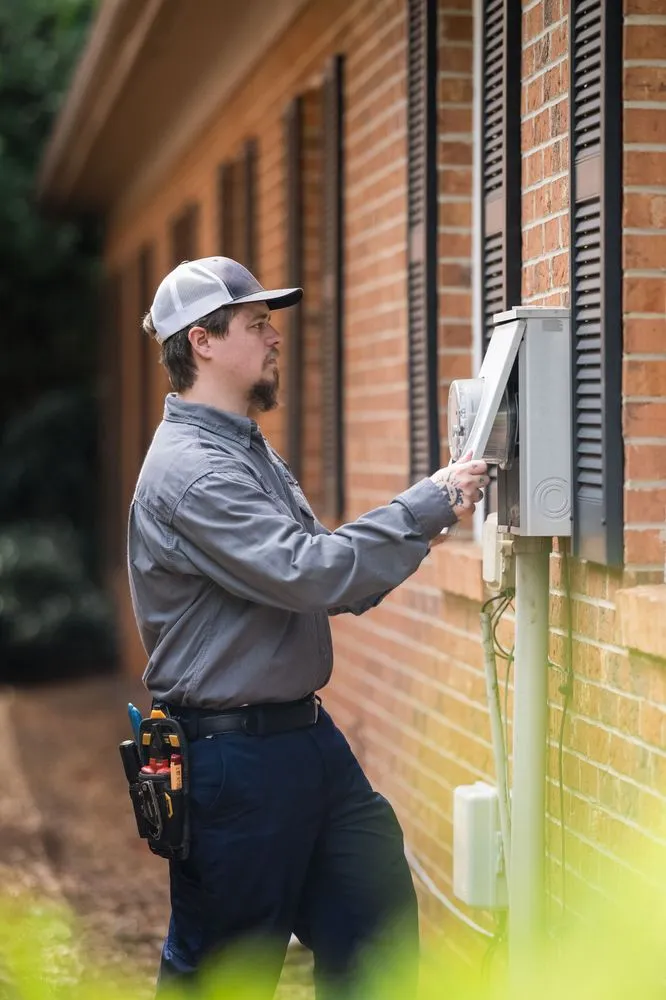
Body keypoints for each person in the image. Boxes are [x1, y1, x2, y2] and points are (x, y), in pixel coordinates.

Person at [128, 256, 488, 998]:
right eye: (256, 324)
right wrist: (426, 505)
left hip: (303, 742)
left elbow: (320, 573)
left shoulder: (243, 445)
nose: (274, 338)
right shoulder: (194, 472)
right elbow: (312, 572)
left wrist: (412, 531)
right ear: (202, 342)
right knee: (225, 974)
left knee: (374, 919)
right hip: (232, 763)